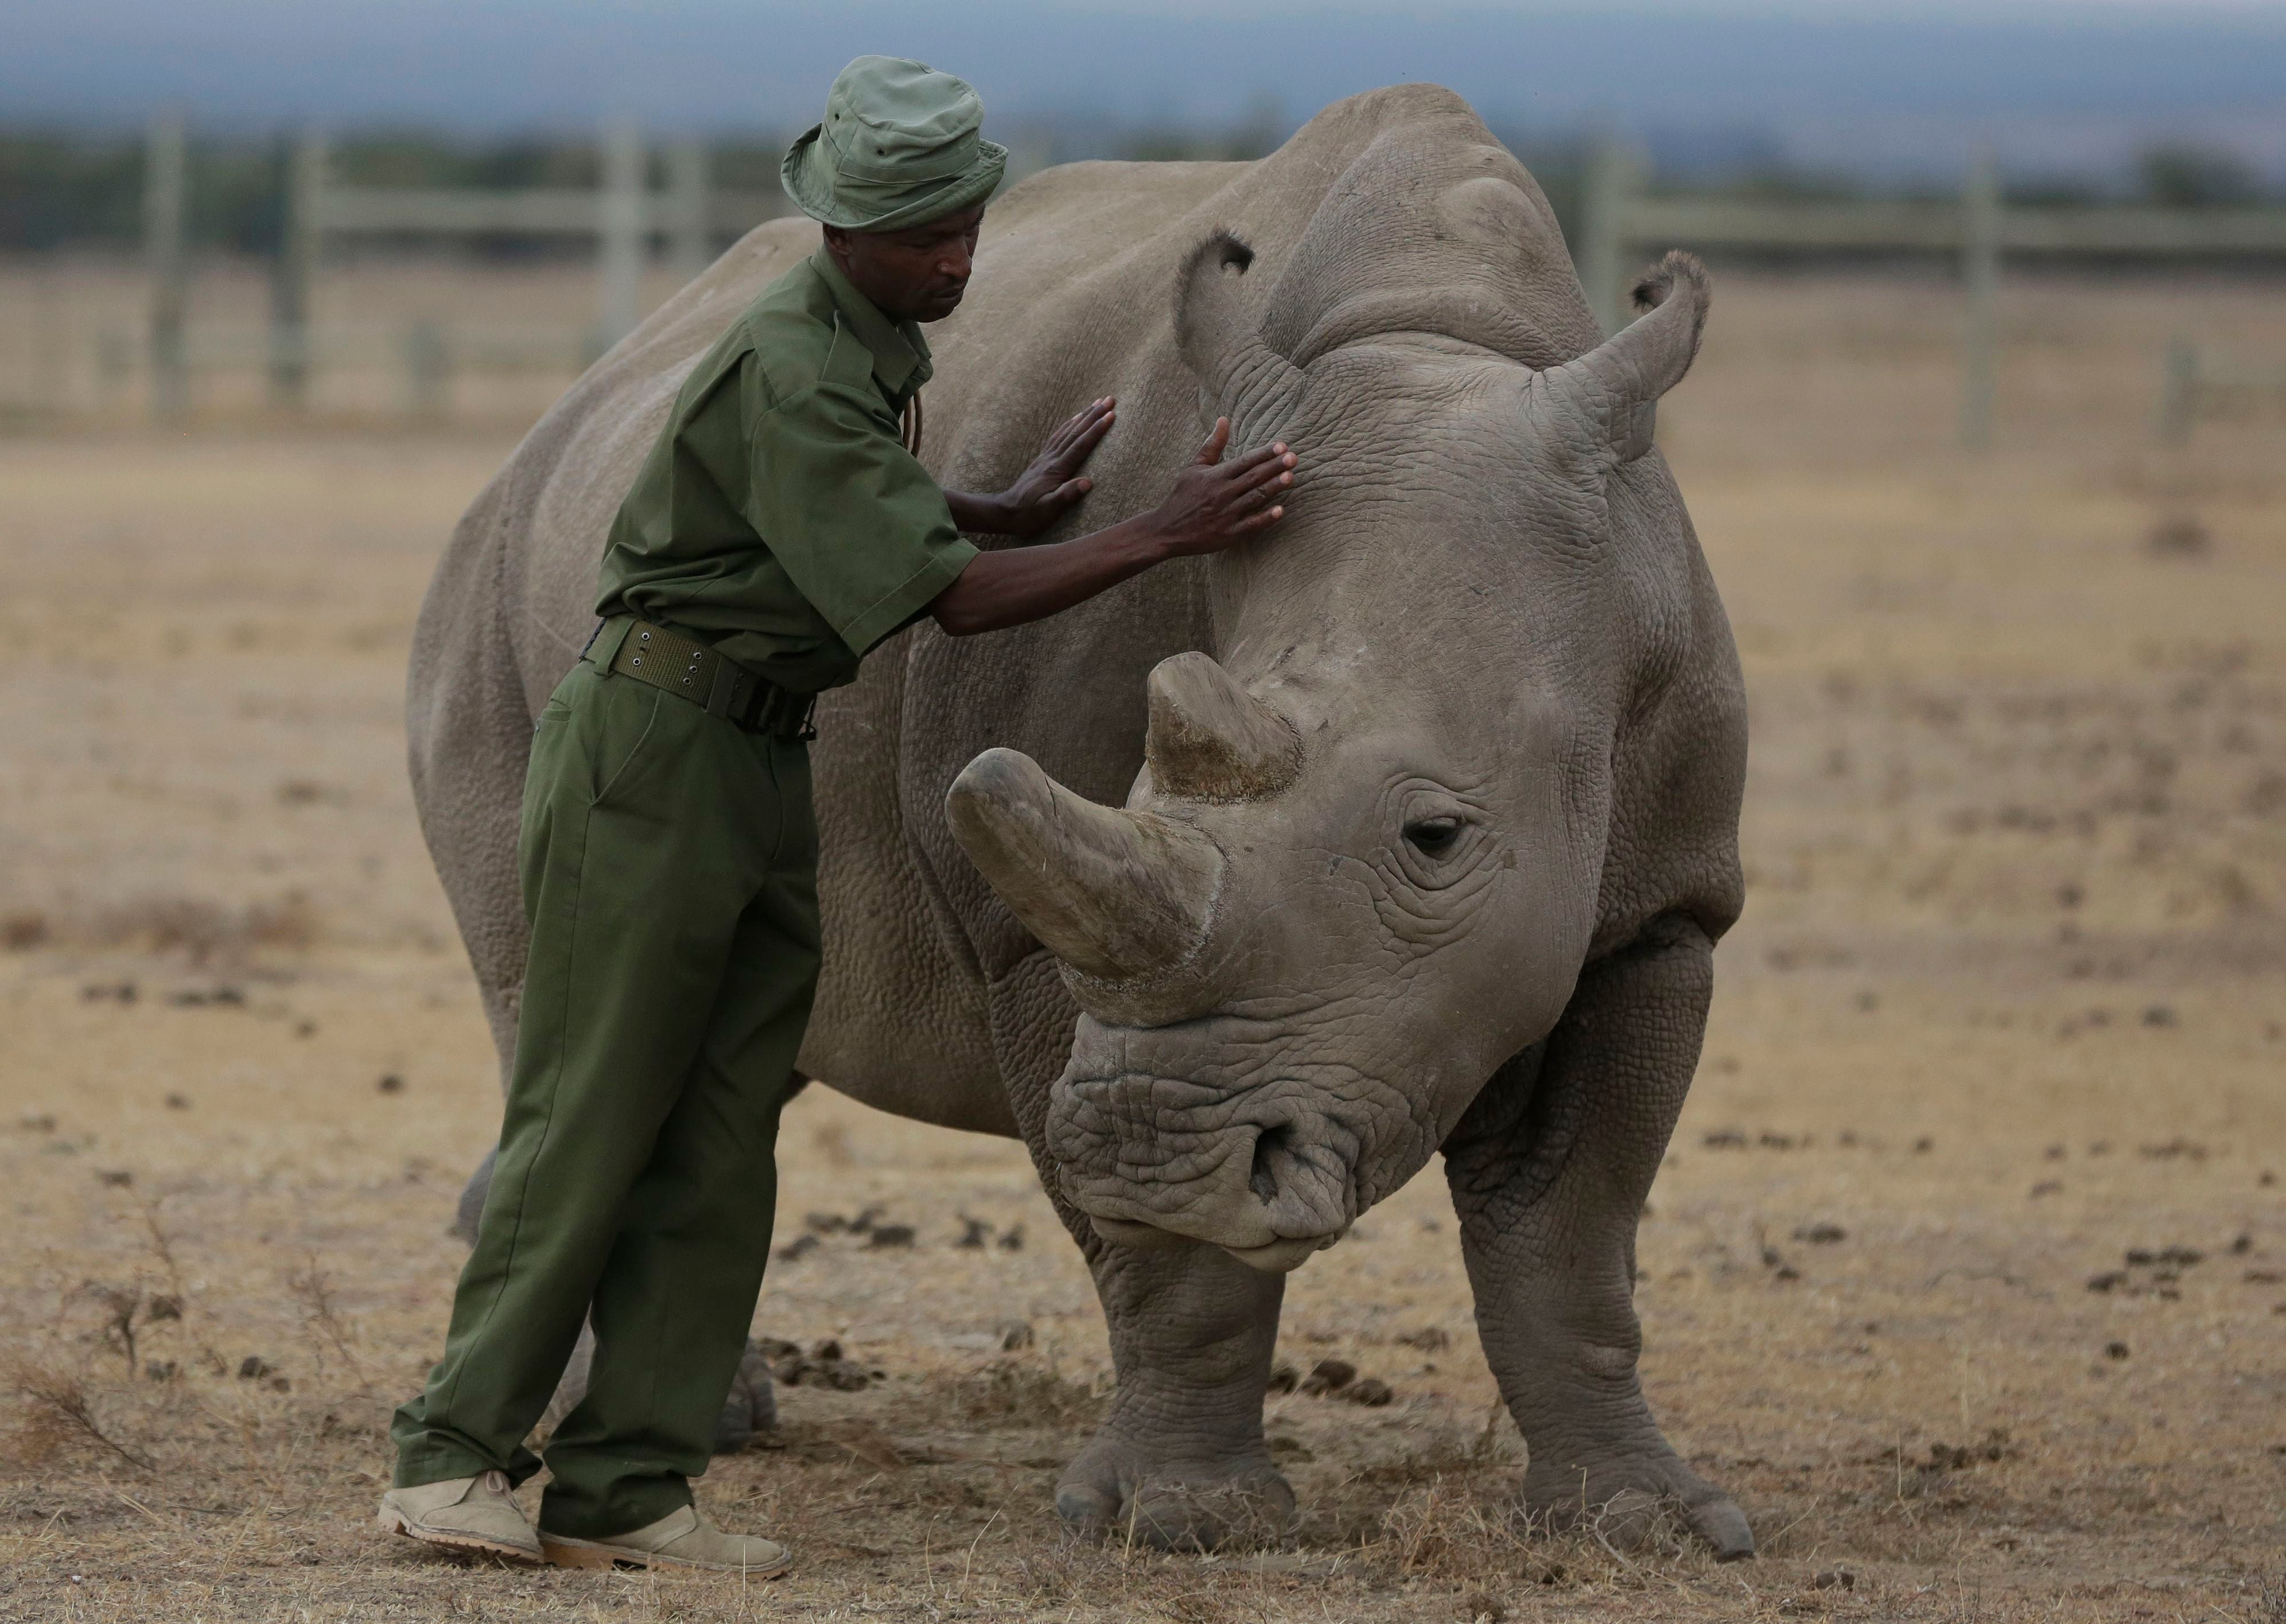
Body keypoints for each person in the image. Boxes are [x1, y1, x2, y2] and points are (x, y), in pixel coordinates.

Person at [378, 56, 1296, 1576]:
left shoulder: (873, 345)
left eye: (966, 224)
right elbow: (943, 604)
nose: (956, 258)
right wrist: (1158, 531)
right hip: (651, 754)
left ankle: (627, 1486)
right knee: (594, 1118)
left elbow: (840, 526)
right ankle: (449, 1457)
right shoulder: (796, 360)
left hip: (756, 754)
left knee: (726, 1133)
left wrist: (1004, 507)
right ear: (837, 228)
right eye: (921, 234)